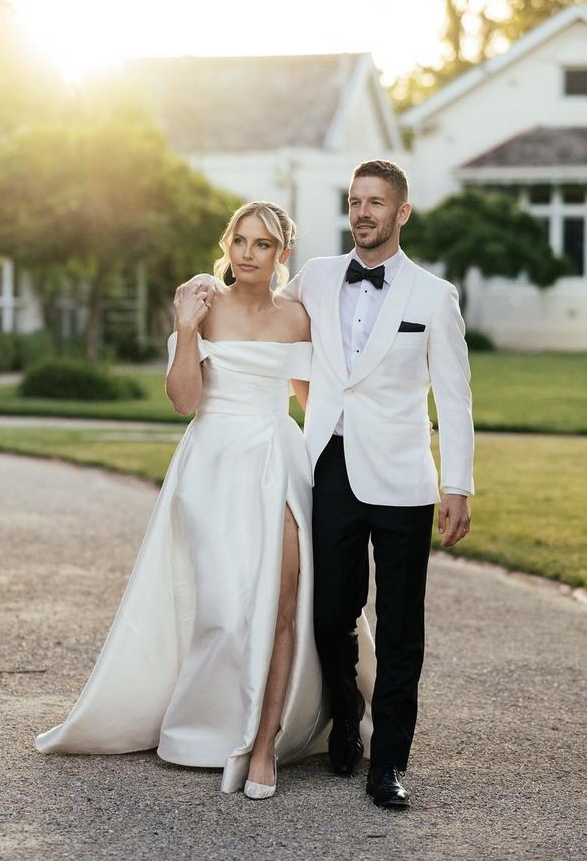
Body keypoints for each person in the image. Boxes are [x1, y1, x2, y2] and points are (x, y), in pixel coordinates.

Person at [34, 201, 375, 798]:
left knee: (283, 599)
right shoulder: (201, 303)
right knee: (220, 606)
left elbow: (310, 399)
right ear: (228, 245)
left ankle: (264, 744)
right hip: (212, 463)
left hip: (277, 458)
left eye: (262, 244)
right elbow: (183, 401)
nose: (248, 253)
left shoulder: (298, 318)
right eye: (240, 240)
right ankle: (208, 727)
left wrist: (377, 432)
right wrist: (186, 329)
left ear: (281, 254)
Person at [186, 159, 474, 810]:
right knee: (328, 614)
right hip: (329, 468)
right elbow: (248, 307)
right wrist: (203, 286)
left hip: (404, 478)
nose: (364, 212)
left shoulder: (434, 296)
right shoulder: (314, 278)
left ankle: (390, 764)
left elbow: (454, 400)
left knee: (401, 627)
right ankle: (345, 720)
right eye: (355, 202)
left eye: (377, 203)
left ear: (401, 212)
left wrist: (458, 483)